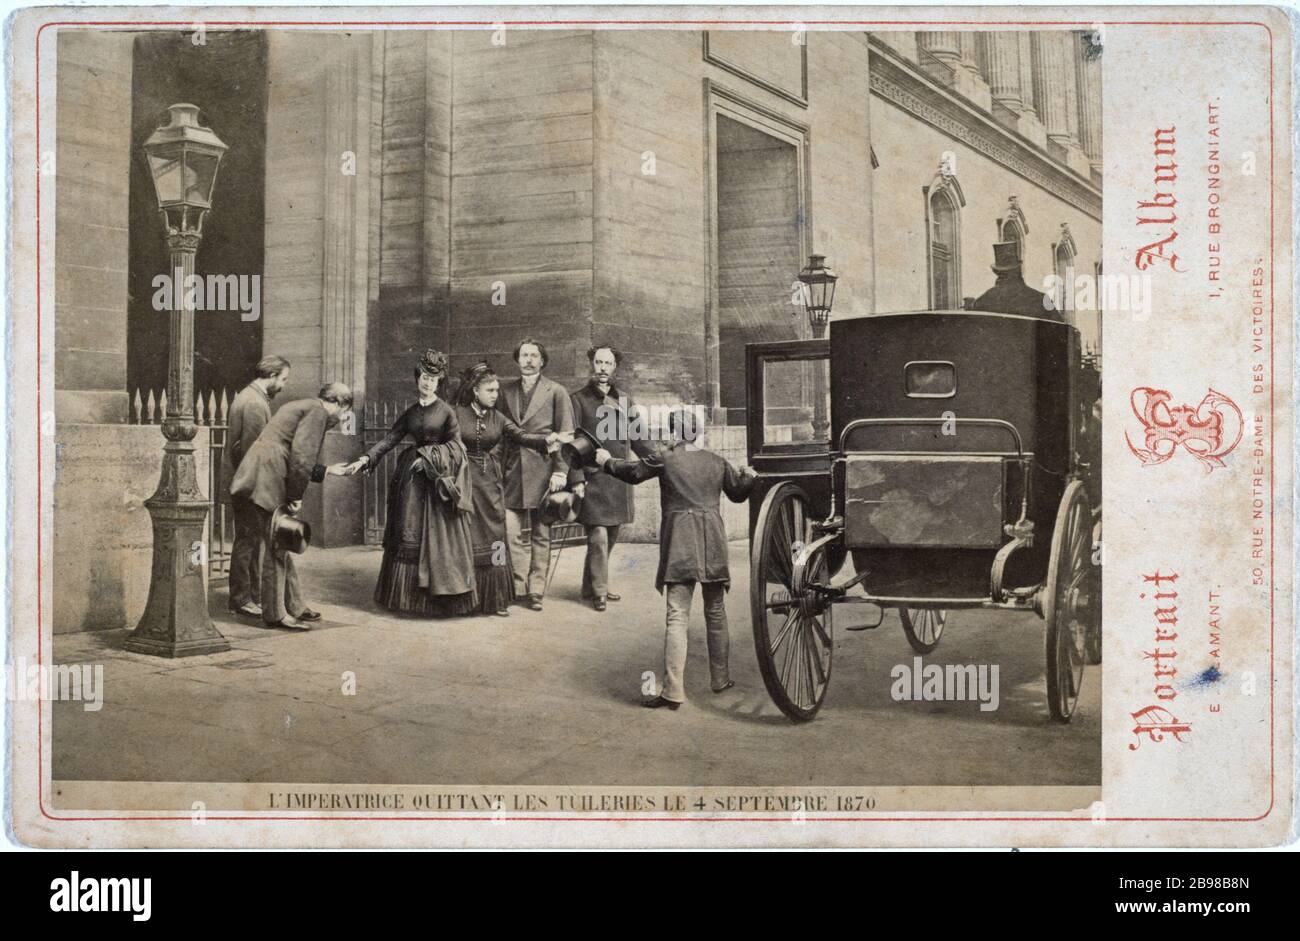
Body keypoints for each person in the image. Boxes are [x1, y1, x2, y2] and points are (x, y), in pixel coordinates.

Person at [595, 408, 758, 709]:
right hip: (713, 540)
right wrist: (748, 476)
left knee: (677, 616)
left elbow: (632, 473)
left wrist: (606, 462)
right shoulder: (716, 460)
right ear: (698, 432)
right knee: (716, 611)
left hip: (680, 541)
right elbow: (738, 493)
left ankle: (673, 691)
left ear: (673, 433)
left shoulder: (665, 457)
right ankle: (720, 679)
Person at [345, 350, 478, 617]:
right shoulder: (411, 412)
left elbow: (457, 447)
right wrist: (364, 459)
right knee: (408, 533)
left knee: (437, 538)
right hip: (413, 482)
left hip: (437, 483)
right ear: (417, 379)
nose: (427, 383)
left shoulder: (447, 411)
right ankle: (407, 600)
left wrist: (429, 458)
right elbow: (390, 439)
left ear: (439, 382)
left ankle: (440, 601)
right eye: (424, 378)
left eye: (433, 379)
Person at [229, 382, 354, 630]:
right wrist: (295, 496)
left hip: (258, 473)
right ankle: (276, 614)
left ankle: (294, 605)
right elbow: (301, 457)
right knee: (278, 544)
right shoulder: (318, 412)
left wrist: (327, 470)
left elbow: (286, 447)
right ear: (340, 403)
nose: (341, 418)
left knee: (280, 540)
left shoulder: (301, 405)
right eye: (344, 412)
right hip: (268, 477)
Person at [454, 362, 559, 617]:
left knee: (496, 540)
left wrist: (545, 440)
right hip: (464, 484)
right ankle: (465, 600)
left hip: (490, 485)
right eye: (490, 390)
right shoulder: (456, 414)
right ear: (475, 391)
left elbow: (521, 435)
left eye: (497, 390)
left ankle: (496, 598)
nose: (495, 395)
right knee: (465, 539)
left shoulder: (499, 418)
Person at [568, 345, 654, 612]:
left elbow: (640, 439)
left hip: (618, 478)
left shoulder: (625, 400)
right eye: (598, 362)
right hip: (593, 479)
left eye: (608, 363)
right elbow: (570, 444)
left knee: (611, 536)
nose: (603, 368)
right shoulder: (578, 399)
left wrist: (660, 460)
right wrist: (576, 477)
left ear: (615, 366)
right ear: (591, 365)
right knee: (598, 537)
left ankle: (589, 585)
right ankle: (600, 592)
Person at [498, 338, 575, 612]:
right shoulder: (505, 390)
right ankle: (519, 585)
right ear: (517, 360)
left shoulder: (557, 392)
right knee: (510, 532)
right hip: (511, 471)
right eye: (524, 355)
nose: (528, 360)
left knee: (541, 534)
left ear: (542, 361)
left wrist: (560, 471)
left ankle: (537, 589)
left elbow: (566, 437)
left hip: (544, 470)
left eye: (534, 356)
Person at [226, 354, 291, 618]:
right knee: (248, 541)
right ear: (272, 375)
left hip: (244, 483)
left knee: (248, 540)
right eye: (283, 379)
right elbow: (255, 453)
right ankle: (242, 599)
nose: (284, 385)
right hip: (250, 485)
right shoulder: (254, 403)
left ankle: (248, 596)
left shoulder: (249, 396)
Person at [968, 241, 1064, 321]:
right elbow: (1062, 334)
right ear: (1019, 270)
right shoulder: (1042, 300)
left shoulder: (983, 301)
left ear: (997, 272)